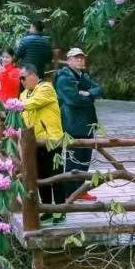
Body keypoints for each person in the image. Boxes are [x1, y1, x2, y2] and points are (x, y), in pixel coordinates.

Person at [54, 47, 104, 200]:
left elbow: (100, 89)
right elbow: (73, 100)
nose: (80, 60)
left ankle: (80, 190)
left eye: (82, 58)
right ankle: (70, 192)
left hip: (87, 123)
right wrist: (89, 97)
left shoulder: (82, 76)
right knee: (73, 159)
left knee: (85, 158)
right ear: (68, 61)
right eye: (76, 58)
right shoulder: (64, 78)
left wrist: (88, 93)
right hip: (72, 123)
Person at [20, 63, 66, 224]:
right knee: (41, 176)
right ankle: (47, 209)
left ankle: (60, 211)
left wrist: (13, 106)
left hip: (51, 139)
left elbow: (34, 103)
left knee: (56, 175)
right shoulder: (24, 94)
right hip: (35, 142)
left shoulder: (46, 88)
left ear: (33, 75)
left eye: (23, 77)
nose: (22, 81)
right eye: (20, 78)